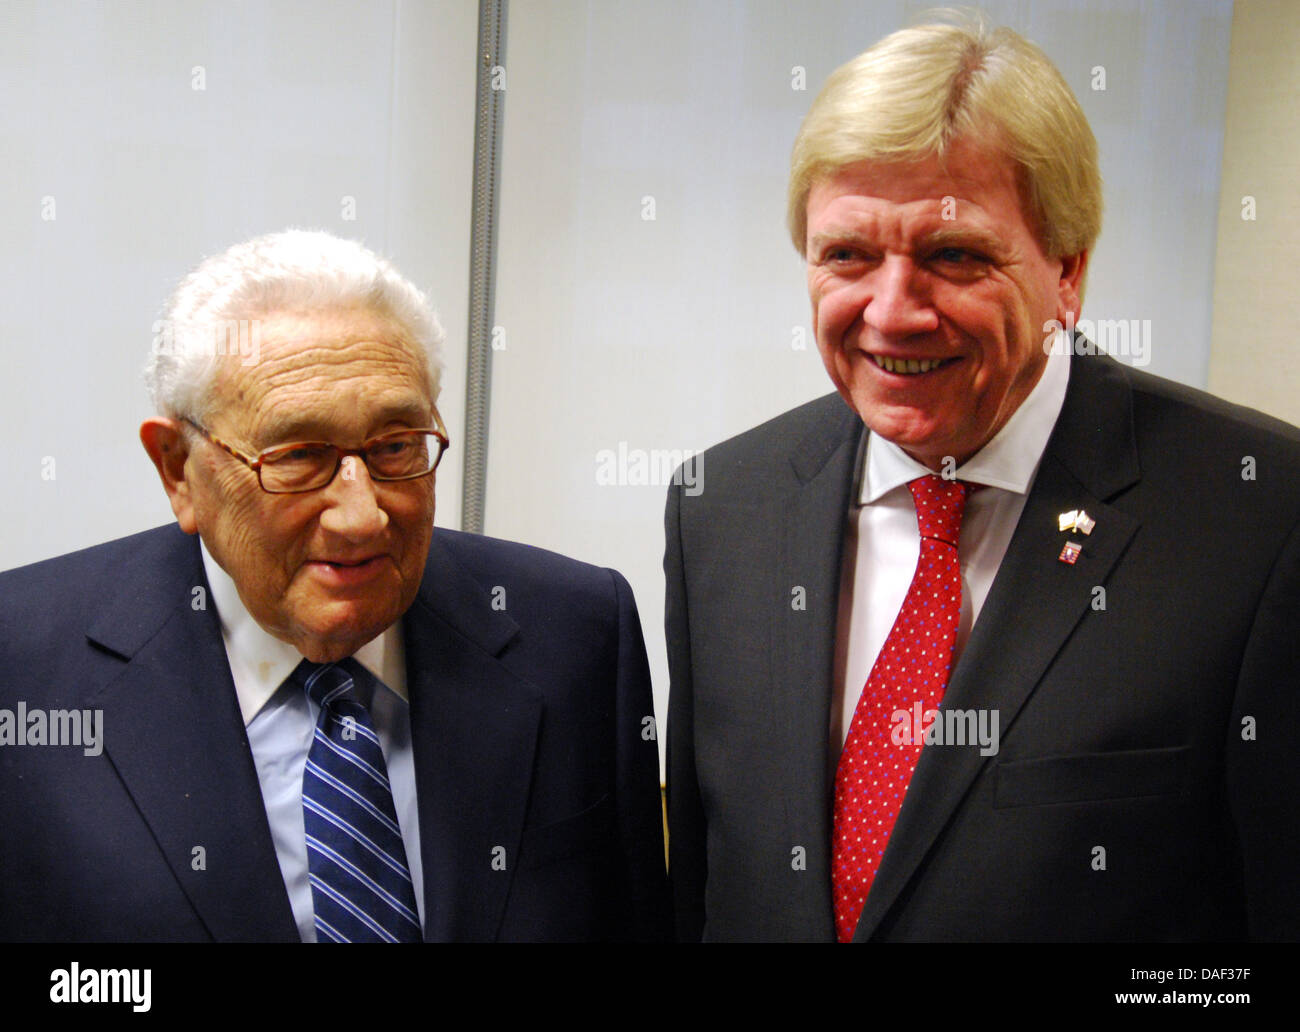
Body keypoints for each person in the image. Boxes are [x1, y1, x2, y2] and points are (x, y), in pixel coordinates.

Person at [665, 15, 1300, 942]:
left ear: (1069, 270)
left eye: (952, 256)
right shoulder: (721, 509)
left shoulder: (1259, 518)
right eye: (847, 254)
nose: (893, 312)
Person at [0, 229, 669, 942]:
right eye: (298, 456)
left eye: (394, 447)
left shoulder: (575, 633)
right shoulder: (26, 667)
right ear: (177, 468)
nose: (361, 516)